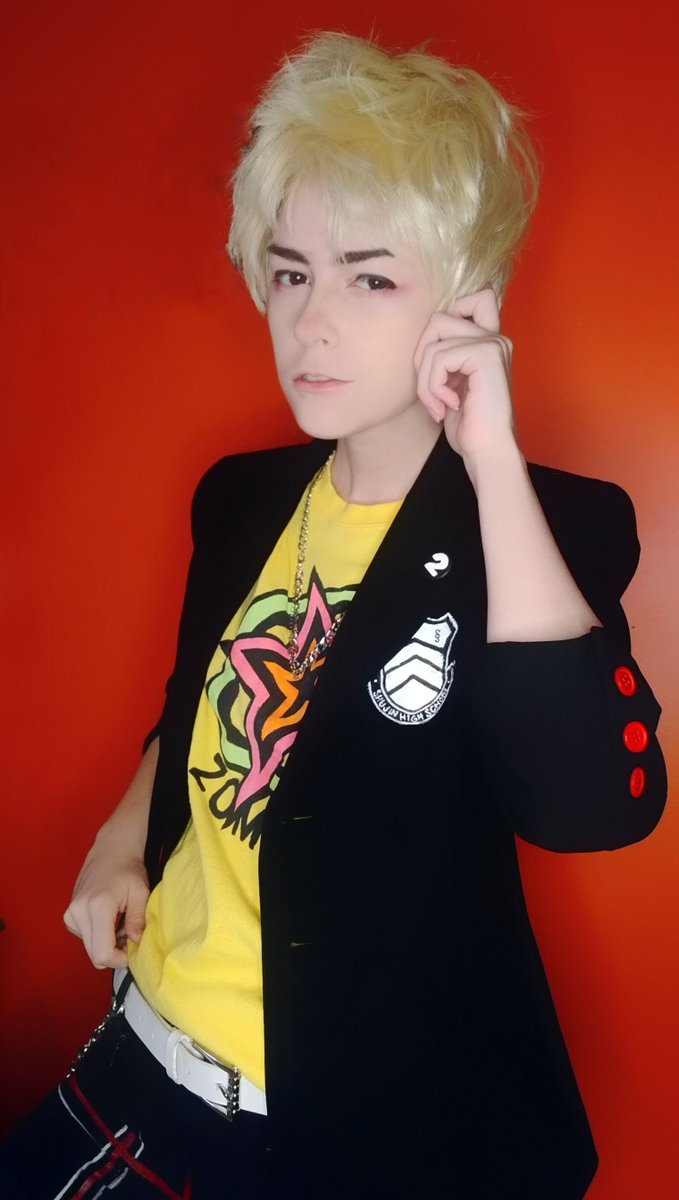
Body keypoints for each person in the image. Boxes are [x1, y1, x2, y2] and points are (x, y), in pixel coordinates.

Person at [1, 30, 666, 1200]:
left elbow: (589, 808)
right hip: (139, 1051)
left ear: (463, 296)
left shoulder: (550, 528)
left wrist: (490, 454)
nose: (310, 321)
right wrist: (119, 839)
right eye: (290, 270)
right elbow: (198, 699)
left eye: (369, 276)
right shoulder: (241, 499)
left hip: (338, 1132)